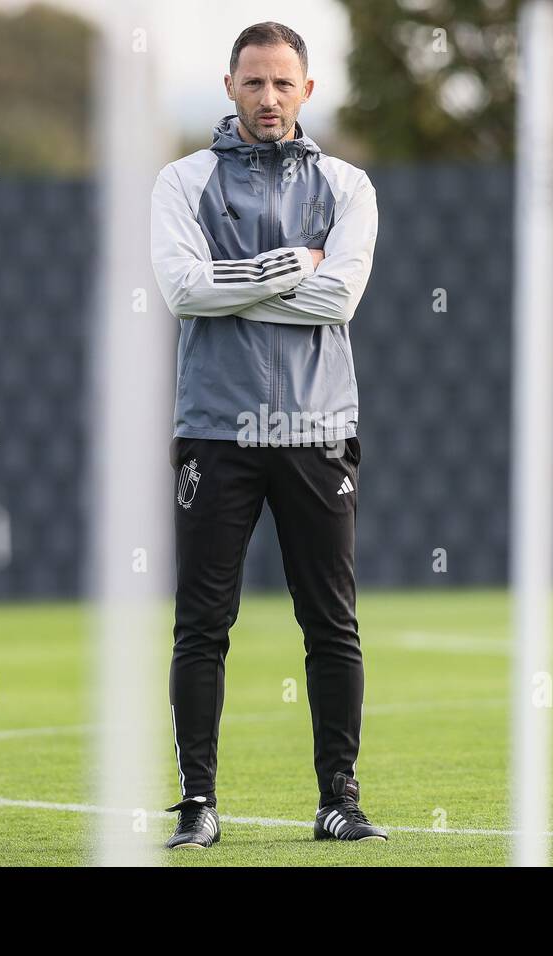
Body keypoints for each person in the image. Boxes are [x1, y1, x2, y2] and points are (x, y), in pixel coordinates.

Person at [150, 22, 385, 848]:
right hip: (216, 430)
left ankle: (339, 801)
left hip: (319, 430)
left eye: (284, 84)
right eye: (254, 83)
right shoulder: (182, 182)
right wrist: (296, 265)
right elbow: (182, 290)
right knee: (202, 623)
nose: (269, 99)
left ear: (308, 92)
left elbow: (341, 302)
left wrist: (236, 284)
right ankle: (197, 805)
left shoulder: (349, 186)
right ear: (229, 87)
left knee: (332, 621)